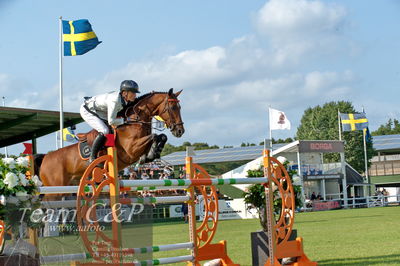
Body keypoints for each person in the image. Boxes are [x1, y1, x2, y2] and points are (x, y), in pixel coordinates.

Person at [80, 80, 140, 162]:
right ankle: (92, 156)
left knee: (111, 130)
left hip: (99, 111)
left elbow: (136, 101)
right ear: (125, 93)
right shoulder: (114, 101)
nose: (135, 95)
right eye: (133, 93)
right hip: (88, 110)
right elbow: (111, 121)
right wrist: (127, 120)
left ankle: (109, 151)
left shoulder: (124, 98)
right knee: (104, 130)